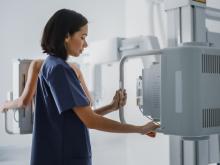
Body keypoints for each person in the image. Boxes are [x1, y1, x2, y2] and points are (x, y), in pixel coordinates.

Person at [2, 9, 159, 165]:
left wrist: (112, 106)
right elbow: (90, 121)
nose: (86, 44)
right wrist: (140, 129)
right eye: (82, 37)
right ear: (66, 36)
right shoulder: (60, 70)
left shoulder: (51, 66)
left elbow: (77, 119)